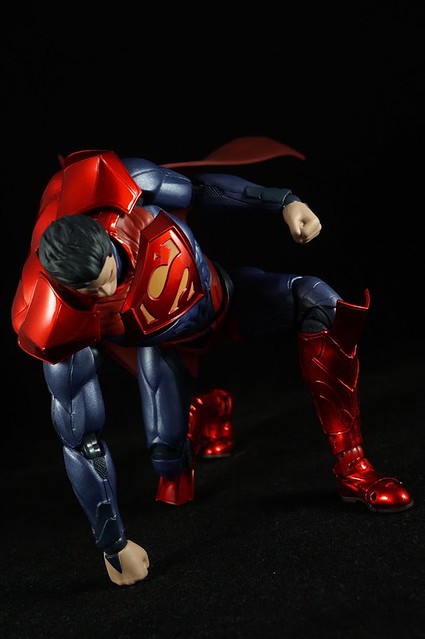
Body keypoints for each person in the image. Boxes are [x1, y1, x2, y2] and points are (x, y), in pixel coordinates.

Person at [11, 138, 413, 587]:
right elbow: (82, 438)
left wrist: (284, 201)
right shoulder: (59, 322)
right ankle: (206, 412)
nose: (107, 293)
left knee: (322, 302)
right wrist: (113, 543)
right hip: (165, 350)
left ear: (106, 241)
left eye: (107, 276)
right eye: (91, 292)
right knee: (169, 469)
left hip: (224, 297)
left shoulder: (134, 194)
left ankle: (353, 467)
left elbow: (202, 190)